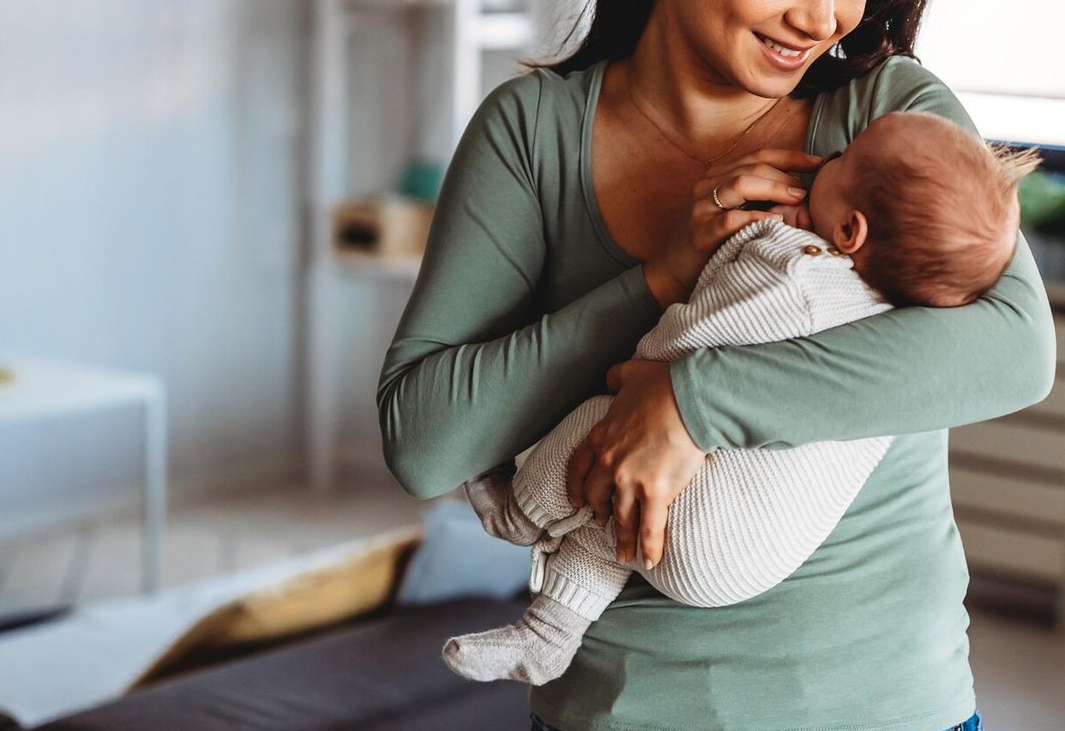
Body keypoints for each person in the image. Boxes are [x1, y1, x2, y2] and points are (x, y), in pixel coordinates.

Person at [377, 0, 1055, 731]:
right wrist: (660, 279)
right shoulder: (534, 134)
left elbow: (1014, 350)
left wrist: (691, 402)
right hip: (627, 730)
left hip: (892, 726)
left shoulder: (887, 123)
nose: (820, 19)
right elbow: (424, 442)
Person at [439, 113, 1040, 687]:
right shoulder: (896, 331)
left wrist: (653, 383)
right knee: (617, 515)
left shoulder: (795, 275)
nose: (829, 156)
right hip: (750, 557)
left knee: (610, 425)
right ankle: (548, 635)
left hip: (705, 524)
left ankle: (519, 513)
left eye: (843, 158)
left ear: (849, 231)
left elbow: (685, 347)